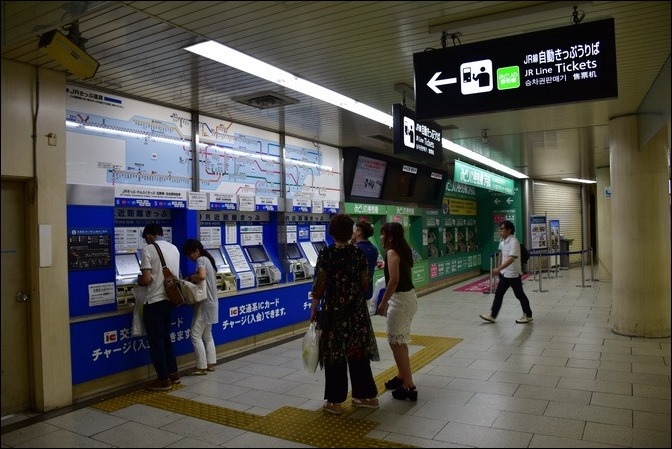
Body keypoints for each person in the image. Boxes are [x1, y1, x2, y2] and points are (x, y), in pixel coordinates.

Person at [309, 213, 380, 415]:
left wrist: (314, 306)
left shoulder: (326, 254)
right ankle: (366, 397)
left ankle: (335, 402)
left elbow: (320, 283)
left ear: (331, 232)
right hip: (356, 311)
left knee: (335, 356)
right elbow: (366, 284)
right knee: (358, 353)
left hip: (333, 311)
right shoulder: (358, 254)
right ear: (351, 232)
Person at [377, 222, 418, 401]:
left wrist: (383, 303)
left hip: (400, 301)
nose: (381, 237)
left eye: (383, 234)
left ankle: (409, 385)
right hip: (409, 298)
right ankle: (402, 376)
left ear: (390, 237)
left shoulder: (392, 252)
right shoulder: (403, 250)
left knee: (396, 343)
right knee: (400, 341)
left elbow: (394, 281)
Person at [138, 223, 181, 391]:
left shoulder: (148, 250)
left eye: (145, 238)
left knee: (156, 341)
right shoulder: (174, 248)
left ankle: (163, 379)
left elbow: (147, 279)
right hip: (170, 299)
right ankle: (174, 374)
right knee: (165, 338)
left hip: (154, 301)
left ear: (149, 235)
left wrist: (139, 280)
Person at [480, 220, 533, 324]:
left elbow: (512, 259)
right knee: (499, 293)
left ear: (509, 230)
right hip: (505, 273)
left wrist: (498, 269)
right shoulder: (502, 241)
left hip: (513, 274)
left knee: (519, 295)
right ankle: (492, 315)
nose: (500, 231)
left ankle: (528, 315)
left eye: (502, 229)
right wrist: (499, 268)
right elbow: (501, 254)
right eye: (499, 229)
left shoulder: (514, 242)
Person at [182, 239, 219, 375]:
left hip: (205, 303)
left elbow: (202, 276)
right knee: (207, 335)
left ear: (196, 251)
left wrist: (190, 278)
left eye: (190, 254)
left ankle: (201, 367)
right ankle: (210, 363)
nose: (190, 257)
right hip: (213, 302)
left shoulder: (201, 259)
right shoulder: (209, 259)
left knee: (195, 335)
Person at [351, 220, 381, 312]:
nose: (352, 232)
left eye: (354, 230)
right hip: (367, 291)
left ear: (359, 232)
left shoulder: (355, 249)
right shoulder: (373, 248)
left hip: (354, 294)